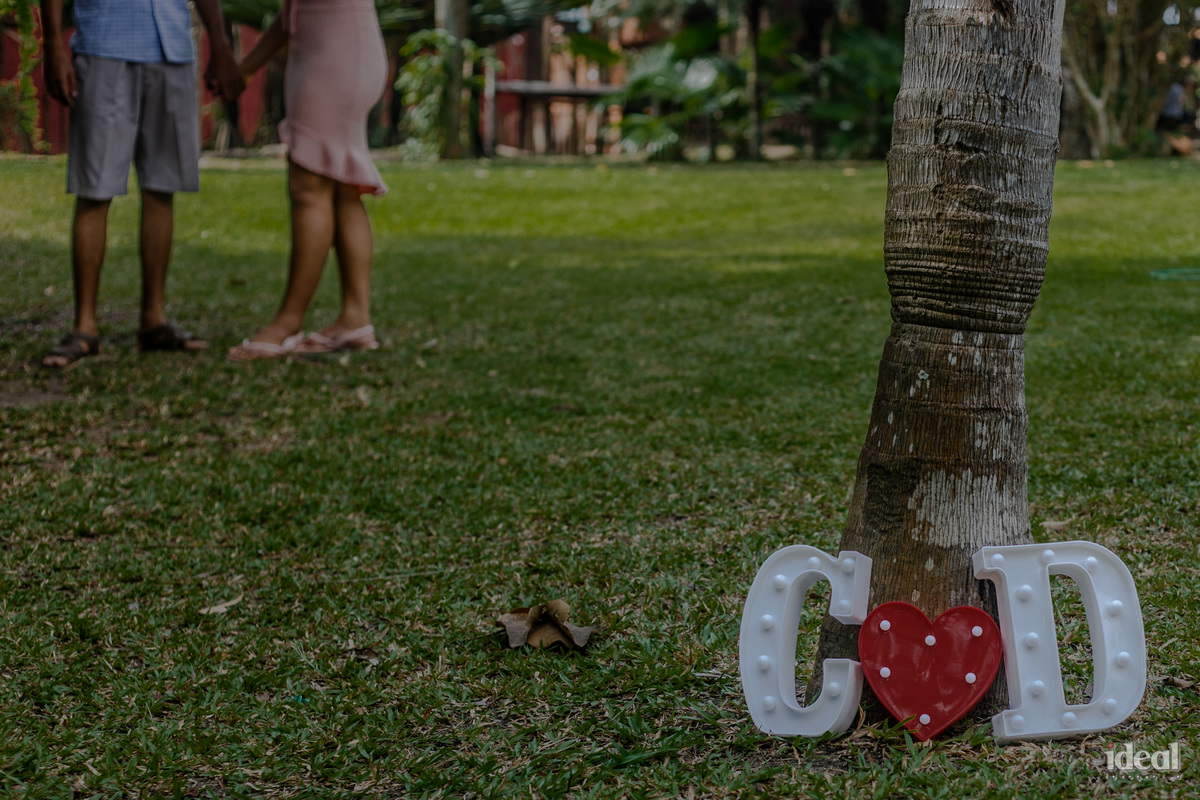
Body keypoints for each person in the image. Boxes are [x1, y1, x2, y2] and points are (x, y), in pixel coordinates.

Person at [39, 0, 245, 368]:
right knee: (94, 189)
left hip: (172, 48)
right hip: (104, 46)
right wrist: (53, 45)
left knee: (162, 188)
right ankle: (84, 327)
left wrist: (220, 43)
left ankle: (154, 319)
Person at [226, 0, 388, 361]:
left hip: (338, 54)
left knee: (308, 188)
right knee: (344, 190)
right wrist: (247, 68)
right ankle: (355, 319)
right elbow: (291, 14)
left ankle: (286, 324)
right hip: (324, 49)